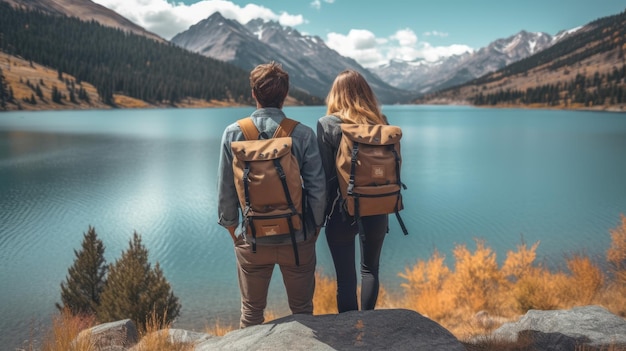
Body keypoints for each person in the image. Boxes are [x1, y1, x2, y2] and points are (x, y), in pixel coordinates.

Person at [217, 62, 326, 328]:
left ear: (253, 93)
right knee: (302, 313)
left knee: (251, 314)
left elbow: (226, 190)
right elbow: (317, 188)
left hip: (253, 240)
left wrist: (234, 231)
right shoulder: (302, 134)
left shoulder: (233, 133)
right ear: (285, 94)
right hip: (297, 239)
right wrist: (314, 228)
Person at [316, 69, 390, 312]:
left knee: (345, 280)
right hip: (377, 207)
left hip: (341, 211)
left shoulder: (327, 125)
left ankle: (350, 336)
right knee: (370, 270)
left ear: (335, 95)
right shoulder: (381, 122)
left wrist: (320, 219)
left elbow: (326, 178)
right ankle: (368, 330)